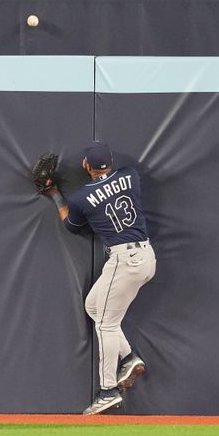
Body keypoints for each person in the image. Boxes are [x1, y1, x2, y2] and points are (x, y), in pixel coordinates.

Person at [43, 141, 157, 415]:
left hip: (124, 260)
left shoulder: (81, 198)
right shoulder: (130, 175)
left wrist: (55, 194)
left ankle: (108, 392)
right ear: (111, 162)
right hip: (146, 255)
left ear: (86, 166)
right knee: (94, 307)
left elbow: (71, 225)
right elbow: (111, 183)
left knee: (106, 325)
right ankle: (128, 357)